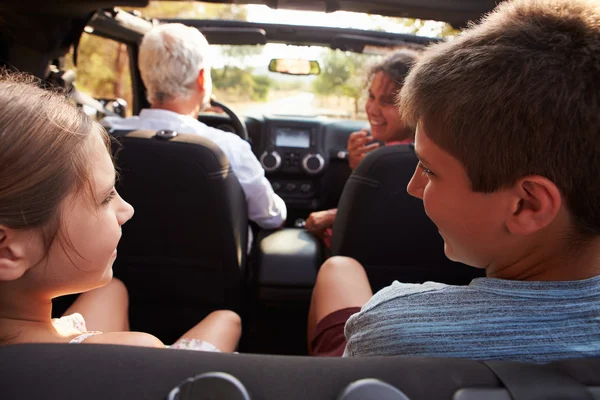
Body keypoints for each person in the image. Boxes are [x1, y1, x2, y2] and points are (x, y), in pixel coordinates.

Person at [308, 0, 600, 363]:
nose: (413, 187)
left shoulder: (393, 331)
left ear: (527, 205)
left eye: (429, 170)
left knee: (339, 267)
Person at [0, 75, 241, 352]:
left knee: (112, 288)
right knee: (227, 319)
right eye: (105, 198)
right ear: (6, 251)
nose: (127, 210)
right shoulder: (138, 353)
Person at [102, 23, 286, 232]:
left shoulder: (105, 136)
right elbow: (271, 218)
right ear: (201, 78)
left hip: (122, 264)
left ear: (145, 77)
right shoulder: (228, 147)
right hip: (217, 265)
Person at [305, 50, 419, 242]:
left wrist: (331, 217)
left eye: (388, 101)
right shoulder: (405, 151)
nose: (372, 109)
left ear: (415, 105)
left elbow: (392, 218)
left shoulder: (406, 158)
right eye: (371, 97)